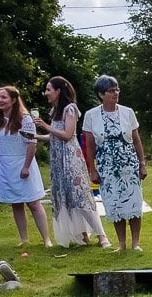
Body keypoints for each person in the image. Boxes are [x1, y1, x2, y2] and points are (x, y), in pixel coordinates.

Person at [33, 76, 109, 248]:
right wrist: (35, 136)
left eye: (48, 89)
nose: (46, 93)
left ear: (58, 91)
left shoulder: (70, 109)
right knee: (66, 197)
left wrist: (45, 126)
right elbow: (54, 136)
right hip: (58, 160)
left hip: (71, 159)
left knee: (80, 196)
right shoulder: (54, 112)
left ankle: (101, 235)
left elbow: (67, 135)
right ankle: (83, 236)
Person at [82, 75, 148, 252]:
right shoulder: (91, 115)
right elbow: (89, 145)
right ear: (101, 94)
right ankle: (121, 243)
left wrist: (142, 163)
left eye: (117, 89)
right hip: (107, 166)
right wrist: (92, 170)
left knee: (134, 202)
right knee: (114, 204)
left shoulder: (128, 112)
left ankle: (135, 243)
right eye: (111, 91)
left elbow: (136, 139)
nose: (116, 93)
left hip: (128, 164)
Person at [0, 85, 51, 246]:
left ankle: (46, 239)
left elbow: (32, 143)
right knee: (15, 203)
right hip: (5, 165)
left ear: (13, 100)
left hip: (22, 163)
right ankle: (24, 239)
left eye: (4, 97)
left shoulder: (25, 119)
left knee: (33, 203)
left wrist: (26, 166)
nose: (0, 100)